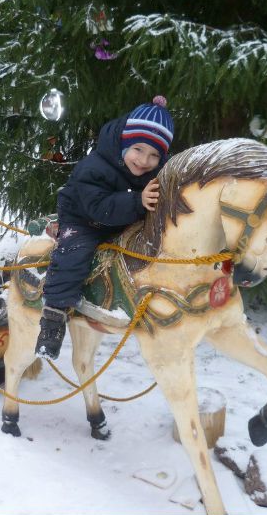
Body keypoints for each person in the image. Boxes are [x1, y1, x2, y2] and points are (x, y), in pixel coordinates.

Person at [36, 96, 175, 359]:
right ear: (124, 141)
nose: (144, 160)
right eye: (138, 149)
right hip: (84, 218)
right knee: (74, 253)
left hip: (124, 218)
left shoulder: (150, 174)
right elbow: (98, 206)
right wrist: (138, 200)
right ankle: (53, 316)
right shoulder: (95, 166)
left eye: (154, 155)